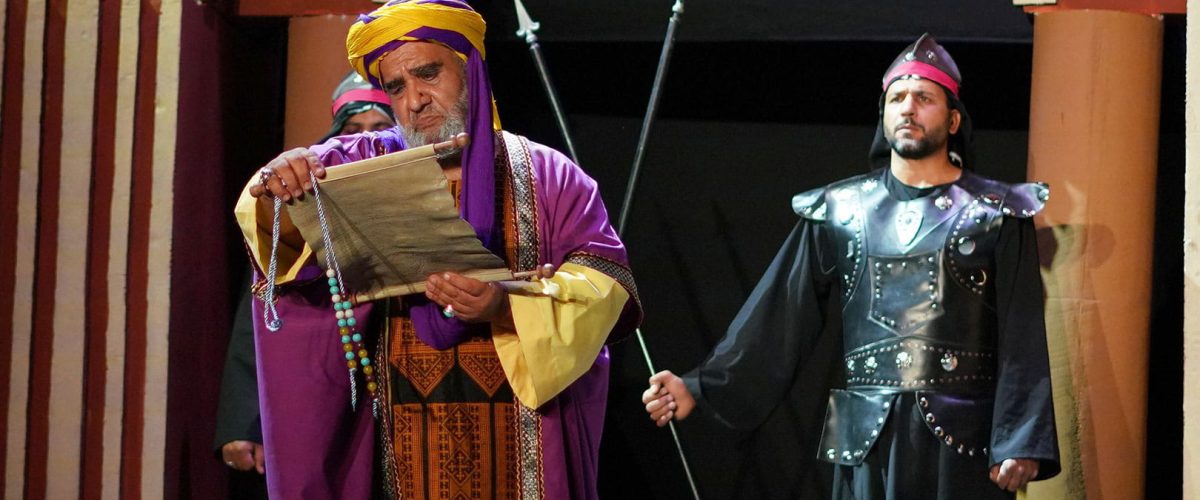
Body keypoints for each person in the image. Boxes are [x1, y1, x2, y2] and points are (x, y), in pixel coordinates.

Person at [233, 1, 641, 498]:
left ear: (470, 69)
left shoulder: (550, 177)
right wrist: (281, 177)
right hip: (398, 436)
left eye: (428, 74)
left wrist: (507, 306)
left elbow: (606, 286)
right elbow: (269, 213)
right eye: (396, 87)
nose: (414, 101)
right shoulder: (361, 165)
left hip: (522, 437)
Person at [642, 33, 1060, 499]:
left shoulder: (995, 212)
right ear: (883, 115)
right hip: (866, 441)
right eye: (897, 98)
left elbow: (1022, 335)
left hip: (961, 443)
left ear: (954, 119)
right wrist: (701, 387)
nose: (908, 108)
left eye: (924, 98)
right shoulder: (841, 209)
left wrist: (1020, 440)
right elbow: (779, 316)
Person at [213, 72, 396, 491]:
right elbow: (264, 312)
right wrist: (244, 422)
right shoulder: (301, 200)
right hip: (326, 385)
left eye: (380, 128)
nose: (363, 140)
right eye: (353, 129)